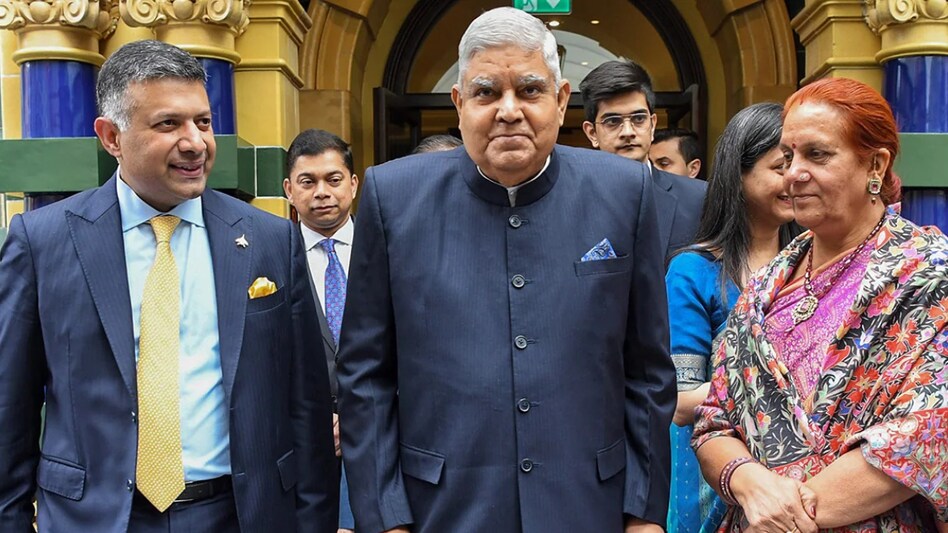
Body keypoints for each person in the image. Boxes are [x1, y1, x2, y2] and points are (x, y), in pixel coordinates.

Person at [337, 7, 675, 533]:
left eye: (531, 90)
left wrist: (645, 514)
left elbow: (648, 372)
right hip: (442, 509)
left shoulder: (625, 193)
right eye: (487, 92)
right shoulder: (392, 196)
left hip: (589, 506)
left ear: (562, 101)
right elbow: (365, 376)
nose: (509, 110)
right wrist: (386, 518)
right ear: (459, 104)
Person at [0, 40, 339, 532]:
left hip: (238, 514)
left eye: (202, 121)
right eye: (168, 124)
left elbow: (305, 401)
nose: (196, 142)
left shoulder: (269, 239)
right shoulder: (43, 241)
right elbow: (11, 402)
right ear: (111, 136)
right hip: (93, 519)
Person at [693, 77, 948, 532]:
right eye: (788, 156)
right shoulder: (766, 286)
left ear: (876, 164)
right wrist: (748, 481)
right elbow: (714, 422)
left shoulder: (927, 274)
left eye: (817, 154)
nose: (793, 173)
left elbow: (924, 435)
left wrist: (783, 523)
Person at [665, 103, 798, 533]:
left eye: (808, 161)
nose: (796, 177)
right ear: (738, 176)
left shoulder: (816, 265)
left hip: (807, 484)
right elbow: (680, 401)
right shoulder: (695, 273)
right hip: (718, 482)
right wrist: (770, 387)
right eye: (782, 165)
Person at [283, 128, 359, 533]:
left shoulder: (387, 249)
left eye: (333, 179)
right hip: (300, 452)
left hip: (379, 439)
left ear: (353, 183)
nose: (322, 192)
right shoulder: (272, 254)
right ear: (289, 190)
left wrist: (359, 414)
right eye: (307, 182)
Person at [579, 60, 706, 258]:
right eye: (613, 121)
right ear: (592, 133)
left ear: (653, 125)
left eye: (639, 119)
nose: (628, 132)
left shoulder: (699, 199)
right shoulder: (572, 203)